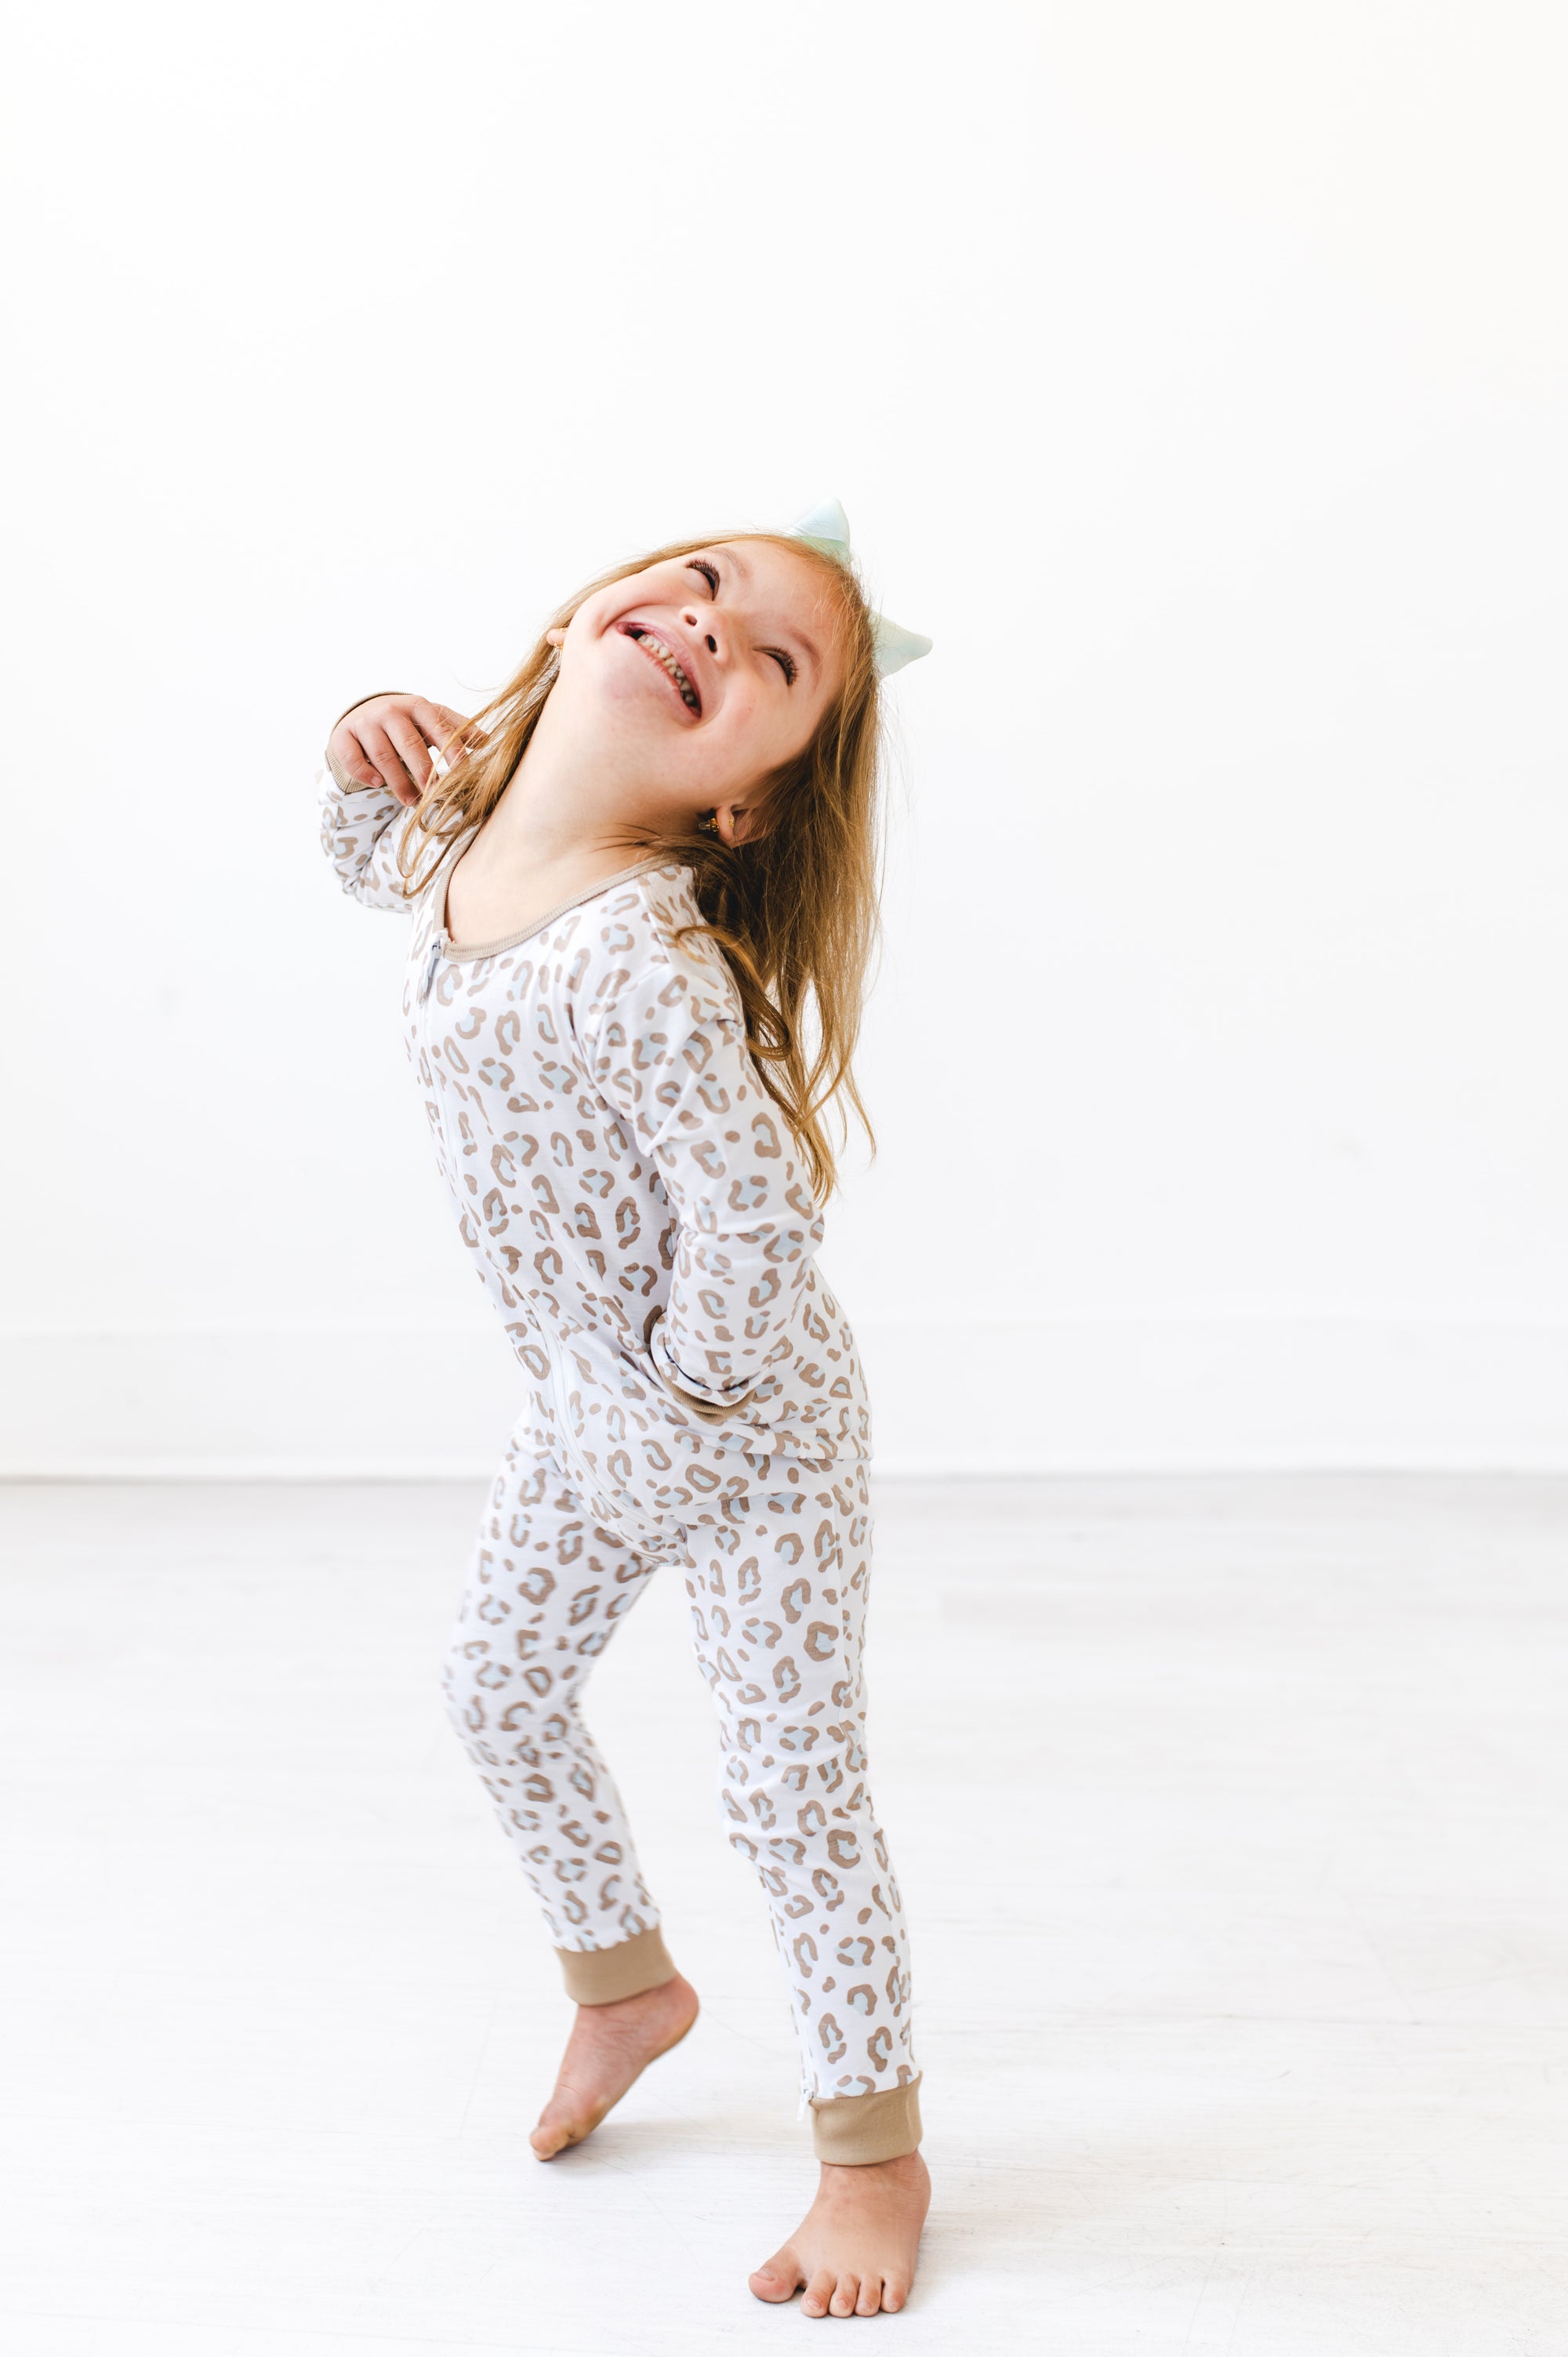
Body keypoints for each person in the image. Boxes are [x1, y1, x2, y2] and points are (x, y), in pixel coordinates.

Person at [318, 503, 931, 2319]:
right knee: (493, 1688)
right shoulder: (466, 840)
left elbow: (758, 1217)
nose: (713, 631)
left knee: (787, 1789)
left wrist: (690, 1400)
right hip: (596, 1416)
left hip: (748, 1443)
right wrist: (362, 725)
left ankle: (871, 2158)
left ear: (744, 802)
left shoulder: (643, 962)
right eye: (705, 586)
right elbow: (368, 853)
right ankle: (624, 1989)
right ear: (605, 607)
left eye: (776, 665)